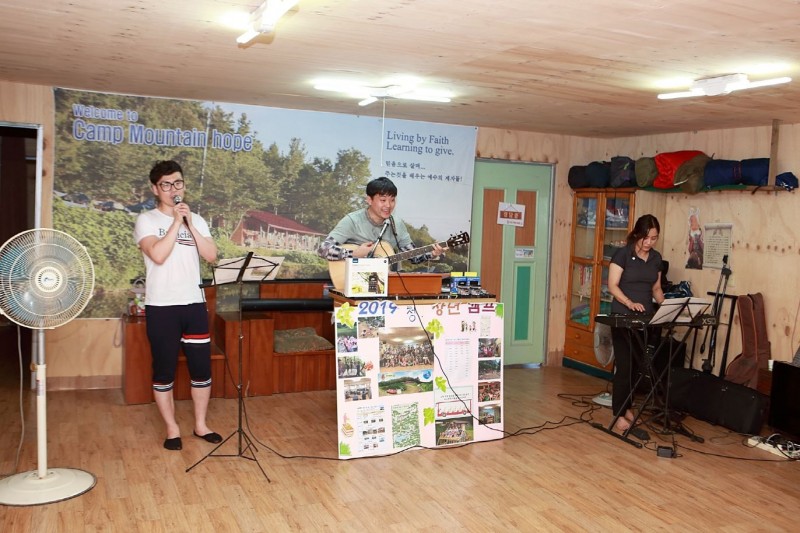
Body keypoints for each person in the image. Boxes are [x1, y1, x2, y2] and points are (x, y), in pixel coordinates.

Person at [133, 160, 221, 451]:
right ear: (155, 189)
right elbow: (158, 255)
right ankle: (172, 429)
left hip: (194, 304)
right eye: (166, 185)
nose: (174, 189)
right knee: (164, 370)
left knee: (201, 369)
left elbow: (211, 255)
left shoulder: (197, 220)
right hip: (162, 306)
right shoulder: (146, 220)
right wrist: (175, 223)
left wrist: (189, 224)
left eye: (178, 183)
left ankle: (200, 425)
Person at [606, 214, 665, 438]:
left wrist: (669, 307)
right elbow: (612, 285)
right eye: (646, 238)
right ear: (637, 234)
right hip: (622, 317)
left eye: (654, 238)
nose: (649, 242)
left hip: (645, 319)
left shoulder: (656, 258)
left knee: (637, 367)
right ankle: (618, 414)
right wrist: (629, 303)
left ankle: (628, 407)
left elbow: (656, 289)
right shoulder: (623, 254)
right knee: (625, 366)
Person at [317, 176, 445, 263]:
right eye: (383, 200)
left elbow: (413, 256)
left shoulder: (397, 224)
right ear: (369, 200)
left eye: (392, 200)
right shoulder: (352, 220)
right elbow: (323, 249)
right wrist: (354, 254)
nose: (388, 205)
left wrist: (433, 253)